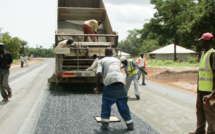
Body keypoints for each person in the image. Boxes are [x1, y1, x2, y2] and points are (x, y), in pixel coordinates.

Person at [94, 47, 134, 130]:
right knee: (123, 105)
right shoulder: (117, 60)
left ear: (105, 54)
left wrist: (97, 87)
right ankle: (130, 125)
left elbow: (99, 74)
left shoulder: (101, 61)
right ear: (112, 53)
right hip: (121, 83)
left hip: (110, 84)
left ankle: (105, 124)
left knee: (106, 105)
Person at [189, 32, 215, 134]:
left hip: (209, 91)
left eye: (202, 40)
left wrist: (213, 92)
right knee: (200, 111)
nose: (201, 42)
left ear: (205, 41)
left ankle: (212, 132)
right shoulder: (204, 54)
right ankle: (200, 130)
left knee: (210, 113)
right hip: (201, 90)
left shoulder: (212, 54)